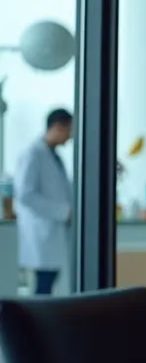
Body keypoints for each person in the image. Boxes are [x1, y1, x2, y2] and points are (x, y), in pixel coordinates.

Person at [13, 108, 74, 295]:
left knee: (48, 287)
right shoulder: (32, 154)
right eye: (70, 130)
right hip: (41, 234)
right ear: (58, 127)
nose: (71, 137)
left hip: (52, 235)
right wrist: (63, 211)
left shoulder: (54, 156)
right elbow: (24, 194)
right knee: (42, 289)